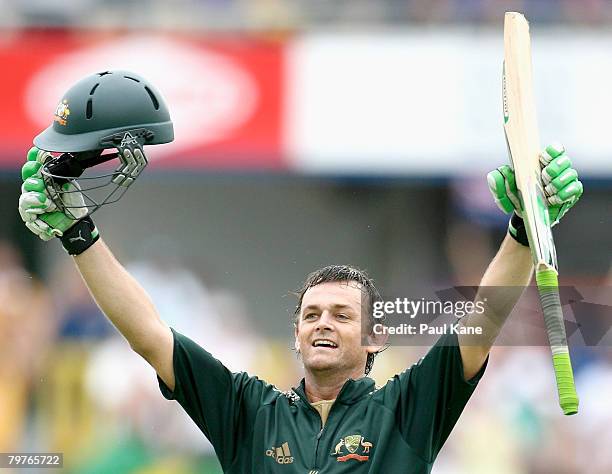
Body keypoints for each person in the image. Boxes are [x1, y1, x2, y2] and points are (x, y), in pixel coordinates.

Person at [18, 72, 583, 473]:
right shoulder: (247, 412)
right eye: (311, 313)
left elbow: (482, 322)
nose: (323, 323)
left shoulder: (407, 409)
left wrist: (522, 230)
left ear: (374, 339)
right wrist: (78, 233)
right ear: (294, 334)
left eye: (341, 315)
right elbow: (149, 334)